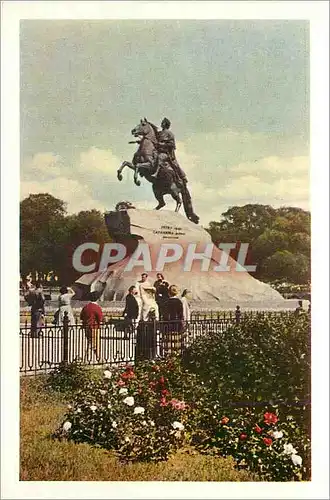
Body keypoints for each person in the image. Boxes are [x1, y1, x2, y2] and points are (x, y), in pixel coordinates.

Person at [156, 118, 188, 185]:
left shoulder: (170, 134)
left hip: (165, 153)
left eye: (163, 122)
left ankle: (182, 177)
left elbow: (172, 144)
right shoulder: (159, 133)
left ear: (165, 124)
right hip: (157, 151)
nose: (161, 123)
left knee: (174, 164)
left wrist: (162, 144)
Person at [80, 291, 103, 361]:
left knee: (89, 342)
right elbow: (100, 318)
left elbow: (81, 317)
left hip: (86, 327)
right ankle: (98, 357)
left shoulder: (86, 307)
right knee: (96, 343)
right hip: (94, 327)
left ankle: (86, 356)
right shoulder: (97, 307)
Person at [162, 284, 184, 355]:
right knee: (177, 343)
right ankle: (177, 356)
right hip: (177, 325)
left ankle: (169, 359)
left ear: (169, 293)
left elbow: (165, 315)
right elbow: (181, 315)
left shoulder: (166, 302)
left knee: (169, 343)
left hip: (168, 325)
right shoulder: (179, 302)